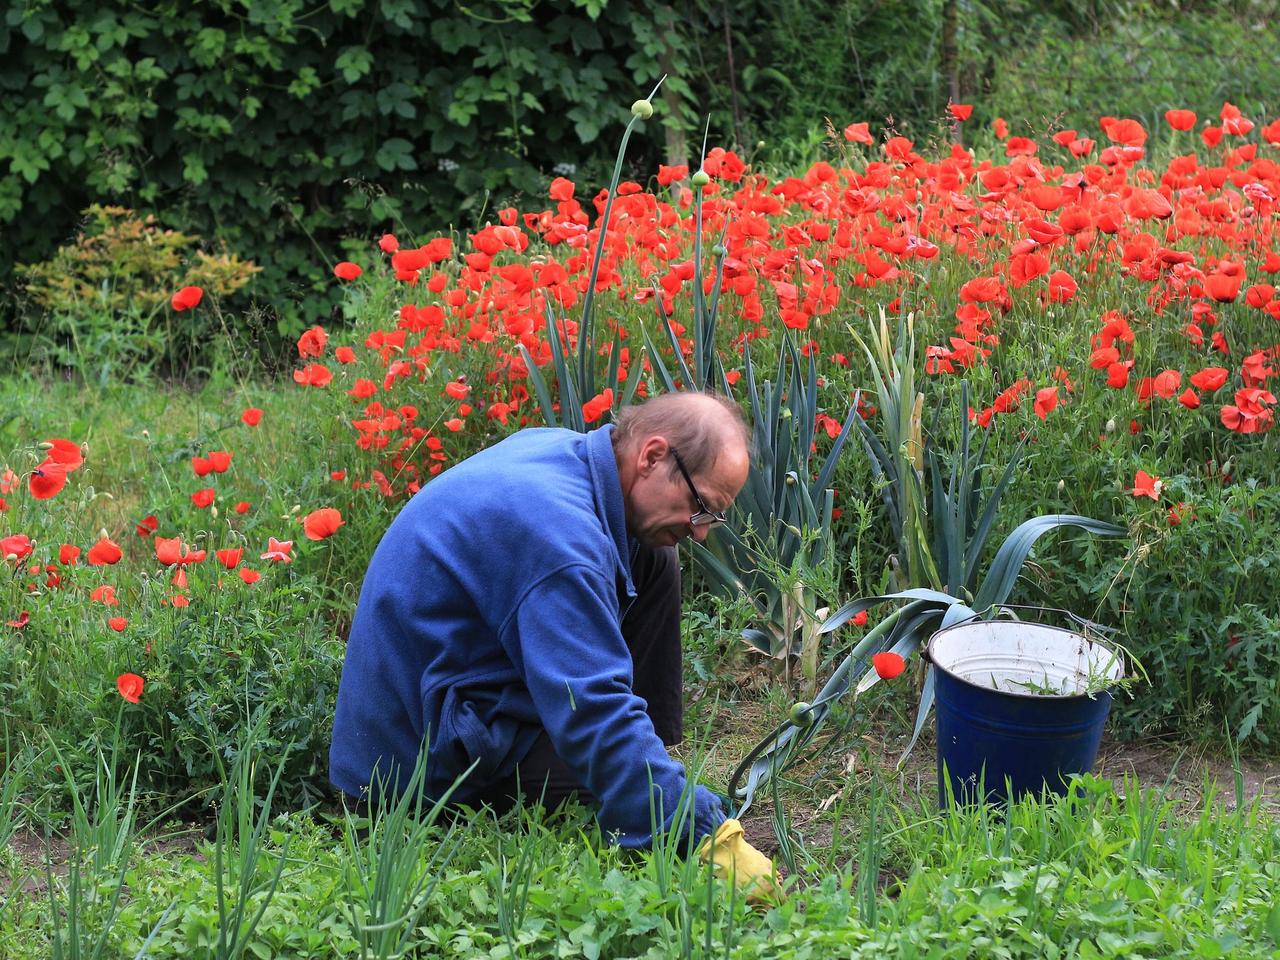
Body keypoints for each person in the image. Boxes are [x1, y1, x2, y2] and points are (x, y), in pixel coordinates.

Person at [329, 391, 751, 848]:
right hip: (409, 767)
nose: (701, 530)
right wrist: (695, 827)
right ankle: (651, 797)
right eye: (701, 506)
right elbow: (591, 707)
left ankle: (651, 754)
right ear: (652, 456)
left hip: (458, 684)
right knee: (614, 767)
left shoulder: (572, 458)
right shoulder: (561, 540)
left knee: (656, 555)